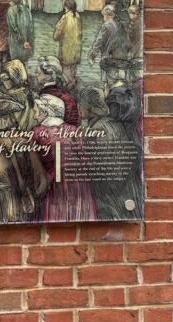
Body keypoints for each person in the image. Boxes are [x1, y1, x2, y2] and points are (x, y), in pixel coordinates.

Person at [77, 86, 142, 220]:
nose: (79, 108)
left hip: (110, 190)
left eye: (82, 104)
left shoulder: (96, 129)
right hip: (124, 186)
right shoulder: (111, 123)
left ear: (91, 107)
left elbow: (98, 164)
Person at [31, 94, 96, 222]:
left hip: (53, 181)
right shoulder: (74, 130)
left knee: (56, 214)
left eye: (38, 109)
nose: (34, 112)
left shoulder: (37, 132)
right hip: (77, 181)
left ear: (47, 111)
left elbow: (36, 162)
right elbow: (85, 159)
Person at [36, 55, 79, 126]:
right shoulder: (67, 95)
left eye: (39, 73)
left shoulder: (46, 94)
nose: (36, 75)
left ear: (47, 76)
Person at [0, 59, 39, 130]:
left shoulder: (11, 98)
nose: (2, 81)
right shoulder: (33, 94)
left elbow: (5, 123)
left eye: (4, 77)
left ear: (14, 77)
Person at [53, 0, 83, 87]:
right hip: (76, 46)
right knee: (73, 66)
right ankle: (73, 82)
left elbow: (58, 32)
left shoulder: (65, 17)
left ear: (66, 7)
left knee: (66, 66)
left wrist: (56, 37)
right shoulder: (77, 16)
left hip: (67, 46)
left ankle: (68, 84)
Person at [6, 0, 34, 65]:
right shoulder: (27, 9)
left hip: (17, 42)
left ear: (11, 0)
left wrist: (23, 41)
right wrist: (27, 41)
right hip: (27, 41)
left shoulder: (10, 11)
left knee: (16, 63)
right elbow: (31, 27)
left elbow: (13, 28)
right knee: (24, 62)